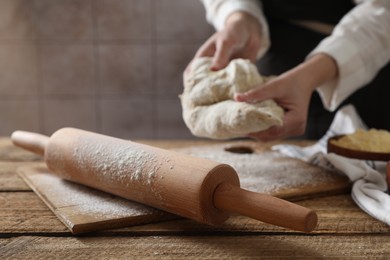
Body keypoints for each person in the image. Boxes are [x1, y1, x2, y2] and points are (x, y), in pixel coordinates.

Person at [186, 0, 390, 141]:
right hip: (266, 58)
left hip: (362, 62)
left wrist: (311, 75)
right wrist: (239, 15)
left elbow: (385, 11)